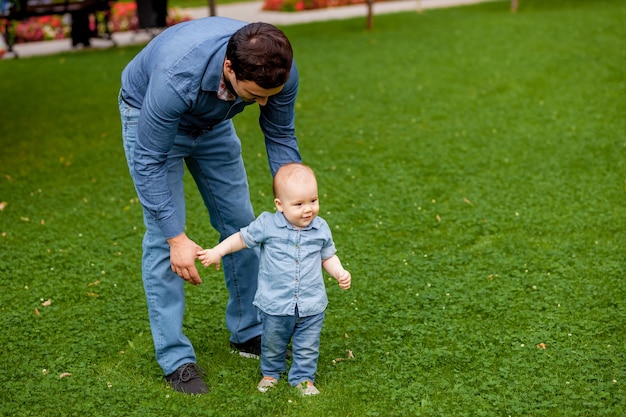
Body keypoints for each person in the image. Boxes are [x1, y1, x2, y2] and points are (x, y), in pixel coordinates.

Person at [118, 18, 301, 395]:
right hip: (151, 120)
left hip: (214, 123)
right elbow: (149, 159)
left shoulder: (278, 69)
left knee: (242, 225)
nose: (265, 103)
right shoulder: (175, 75)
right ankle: (175, 360)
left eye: (271, 94)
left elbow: (279, 132)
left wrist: (293, 202)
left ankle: (248, 331)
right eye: (256, 96)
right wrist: (176, 237)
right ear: (229, 68)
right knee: (162, 241)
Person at [198, 163, 351, 396]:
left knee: (307, 346)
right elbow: (241, 238)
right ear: (280, 205)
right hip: (276, 303)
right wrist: (218, 251)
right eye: (298, 204)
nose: (308, 209)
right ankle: (271, 373)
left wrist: (339, 272)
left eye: (313, 201)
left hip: (311, 303)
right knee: (272, 342)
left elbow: (327, 256)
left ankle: (303, 379)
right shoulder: (268, 225)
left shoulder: (320, 228)